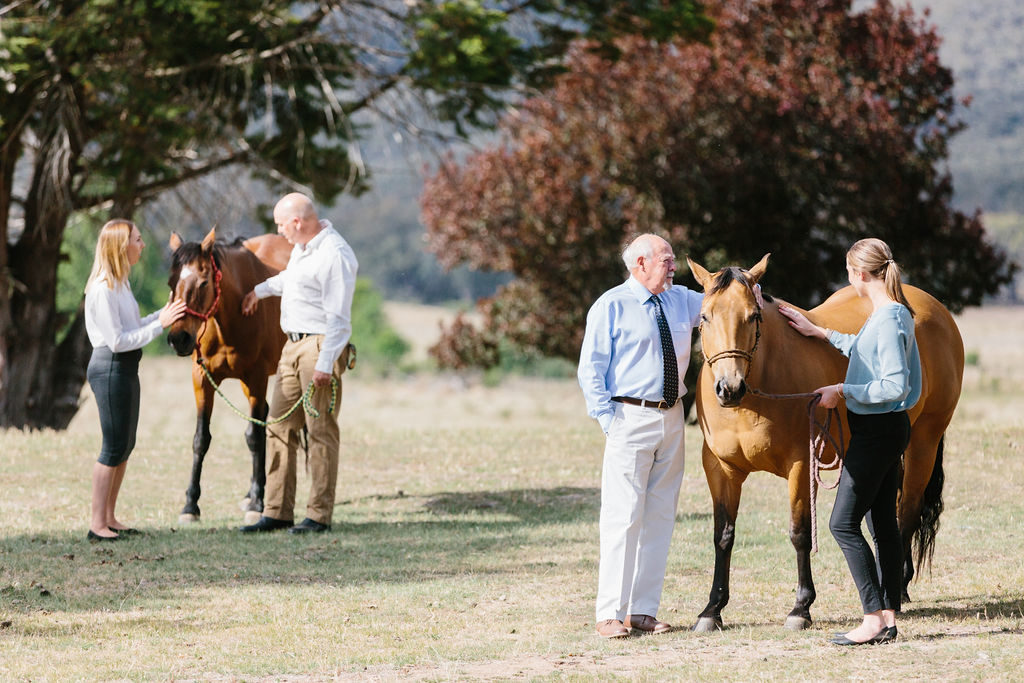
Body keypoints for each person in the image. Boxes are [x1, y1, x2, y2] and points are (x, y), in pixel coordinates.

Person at [778, 238, 921, 646]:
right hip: (883, 429)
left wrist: (842, 390)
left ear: (858, 274)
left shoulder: (890, 317)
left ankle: (872, 617)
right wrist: (821, 332)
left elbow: (894, 384)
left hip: (878, 432)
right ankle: (889, 616)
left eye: (847, 272)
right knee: (882, 525)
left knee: (842, 523)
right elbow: (866, 351)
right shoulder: (890, 313)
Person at [577, 233, 703, 638]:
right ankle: (608, 614)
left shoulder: (682, 299)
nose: (673, 266)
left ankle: (642, 611)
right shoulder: (611, 305)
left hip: (673, 418)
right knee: (623, 516)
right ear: (640, 265)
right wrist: (609, 422)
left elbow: (729, 300)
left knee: (660, 516)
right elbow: (590, 369)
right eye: (666, 260)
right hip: (629, 416)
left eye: (671, 260)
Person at [239, 193, 358, 535]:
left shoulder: (335, 254)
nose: (279, 231)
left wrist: (325, 363)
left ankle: (319, 515)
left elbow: (339, 317)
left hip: (320, 346)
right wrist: (257, 292)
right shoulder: (303, 250)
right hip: (291, 348)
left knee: (319, 431)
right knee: (277, 425)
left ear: (297, 222)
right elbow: (290, 281)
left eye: (281, 225)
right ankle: (277, 510)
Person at [84, 219, 187, 541]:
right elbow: (116, 341)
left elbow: (131, 326)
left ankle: (110, 517)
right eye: (137, 240)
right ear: (121, 246)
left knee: (125, 446)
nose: (142, 245)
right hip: (111, 367)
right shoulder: (102, 288)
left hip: (126, 368)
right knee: (112, 447)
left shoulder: (121, 284)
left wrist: (162, 313)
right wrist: (160, 326)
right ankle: (96, 525)